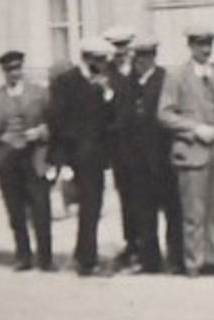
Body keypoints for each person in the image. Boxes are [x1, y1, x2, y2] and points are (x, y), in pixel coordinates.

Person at [158, 28, 214, 276]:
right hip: (193, 148)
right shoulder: (177, 76)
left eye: (209, 44)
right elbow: (164, 114)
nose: (205, 49)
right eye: (200, 44)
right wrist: (194, 129)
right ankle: (193, 261)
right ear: (190, 46)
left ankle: (213, 259)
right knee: (194, 210)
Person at [47, 36, 118, 277]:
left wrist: (107, 95)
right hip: (74, 155)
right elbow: (57, 121)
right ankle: (87, 260)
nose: (103, 65)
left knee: (93, 206)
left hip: (96, 157)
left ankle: (85, 255)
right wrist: (65, 159)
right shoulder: (65, 82)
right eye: (99, 60)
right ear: (87, 59)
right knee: (88, 206)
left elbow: (109, 120)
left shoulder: (101, 83)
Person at [0, 50, 53, 271]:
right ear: (4, 72)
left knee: (41, 210)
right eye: (10, 70)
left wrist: (40, 133)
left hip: (34, 159)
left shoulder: (40, 94)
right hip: (8, 163)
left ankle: (46, 258)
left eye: (18, 68)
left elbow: (55, 123)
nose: (15, 73)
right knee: (16, 212)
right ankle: (23, 256)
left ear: (23, 68)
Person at [115, 36, 182, 274]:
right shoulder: (127, 83)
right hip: (136, 160)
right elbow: (121, 119)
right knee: (144, 211)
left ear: (154, 56)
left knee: (173, 209)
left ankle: (176, 258)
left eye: (147, 56)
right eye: (139, 57)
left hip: (162, 156)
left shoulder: (165, 79)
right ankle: (149, 260)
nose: (143, 61)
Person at [103, 25, 140, 270]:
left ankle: (146, 243)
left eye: (124, 46)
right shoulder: (106, 75)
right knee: (126, 196)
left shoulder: (140, 71)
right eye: (116, 47)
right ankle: (131, 244)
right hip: (119, 148)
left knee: (144, 197)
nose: (120, 52)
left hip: (141, 146)